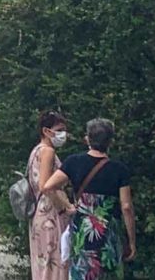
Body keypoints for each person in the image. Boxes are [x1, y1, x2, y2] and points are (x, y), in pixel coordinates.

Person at [42, 118, 136, 279]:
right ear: (110, 141)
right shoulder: (120, 170)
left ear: (87, 139)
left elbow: (48, 186)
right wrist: (132, 241)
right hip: (108, 234)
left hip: (82, 233)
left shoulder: (74, 162)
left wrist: (65, 206)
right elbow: (126, 206)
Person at [28, 111, 72, 280]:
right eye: (59, 129)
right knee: (55, 262)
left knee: (43, 263)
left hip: (40, 212)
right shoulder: (47, 151)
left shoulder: (36, 151)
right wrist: (65, 206)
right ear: (46, 131)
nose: (63, 134)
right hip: (51, 213)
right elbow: (46, 186)